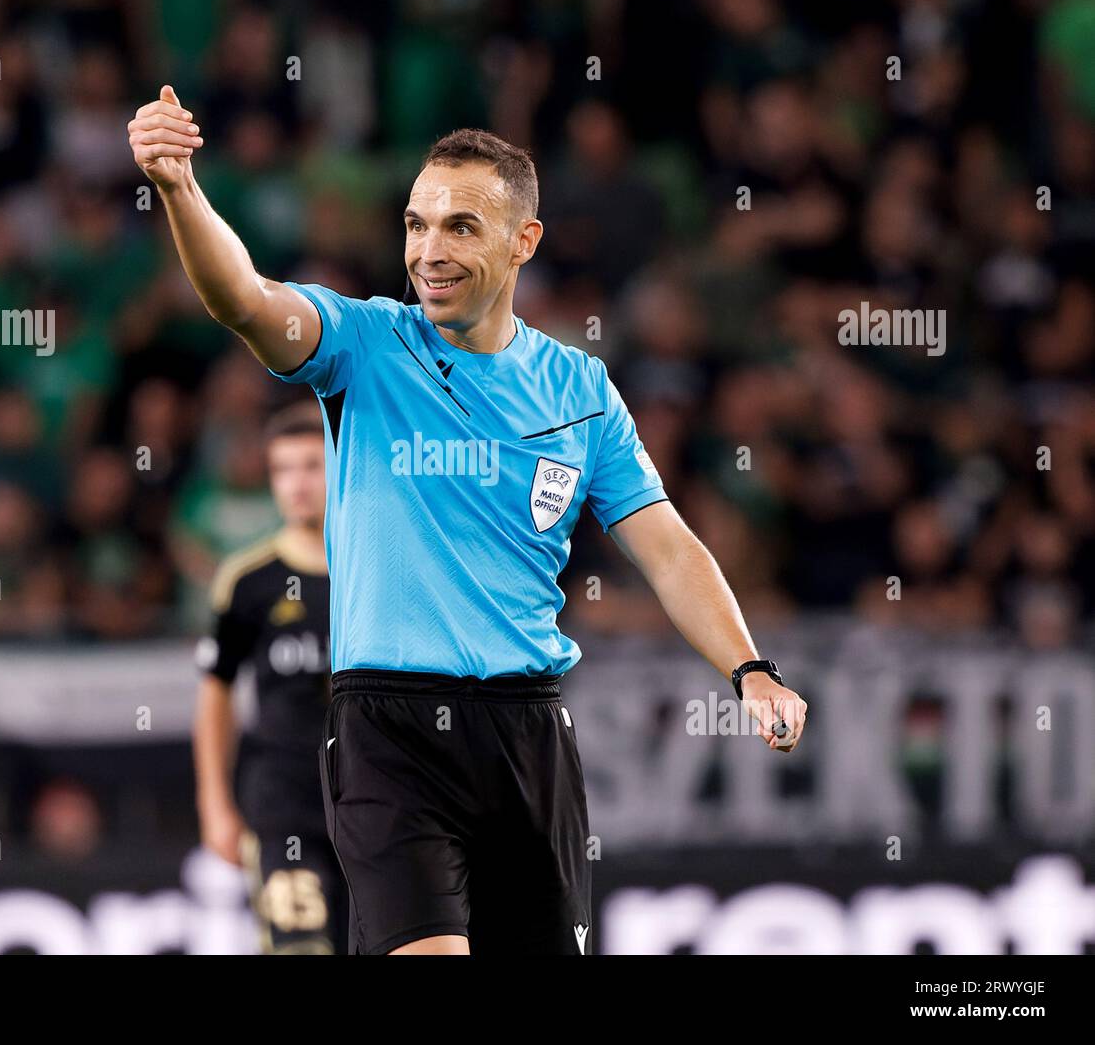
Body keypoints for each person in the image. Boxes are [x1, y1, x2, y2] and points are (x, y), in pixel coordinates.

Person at [135, 86, 808, 955]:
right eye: (416, 225)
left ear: (524, 239)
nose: (428, 250)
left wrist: (750, 669)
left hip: (528, 732)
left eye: (459, 226)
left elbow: (669, 549)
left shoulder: (578, 391)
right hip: (390, 730)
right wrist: (181, 190)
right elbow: (245, 300)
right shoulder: (364, 345)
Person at [191, 402, 345, 954]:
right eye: (283, 470)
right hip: (283, 799)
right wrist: (214, 803)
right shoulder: (248, 581)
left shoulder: (378, 569)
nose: (297, 484)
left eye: (311, 466)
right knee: (300, 945)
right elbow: (216, 694)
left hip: (374, 801)